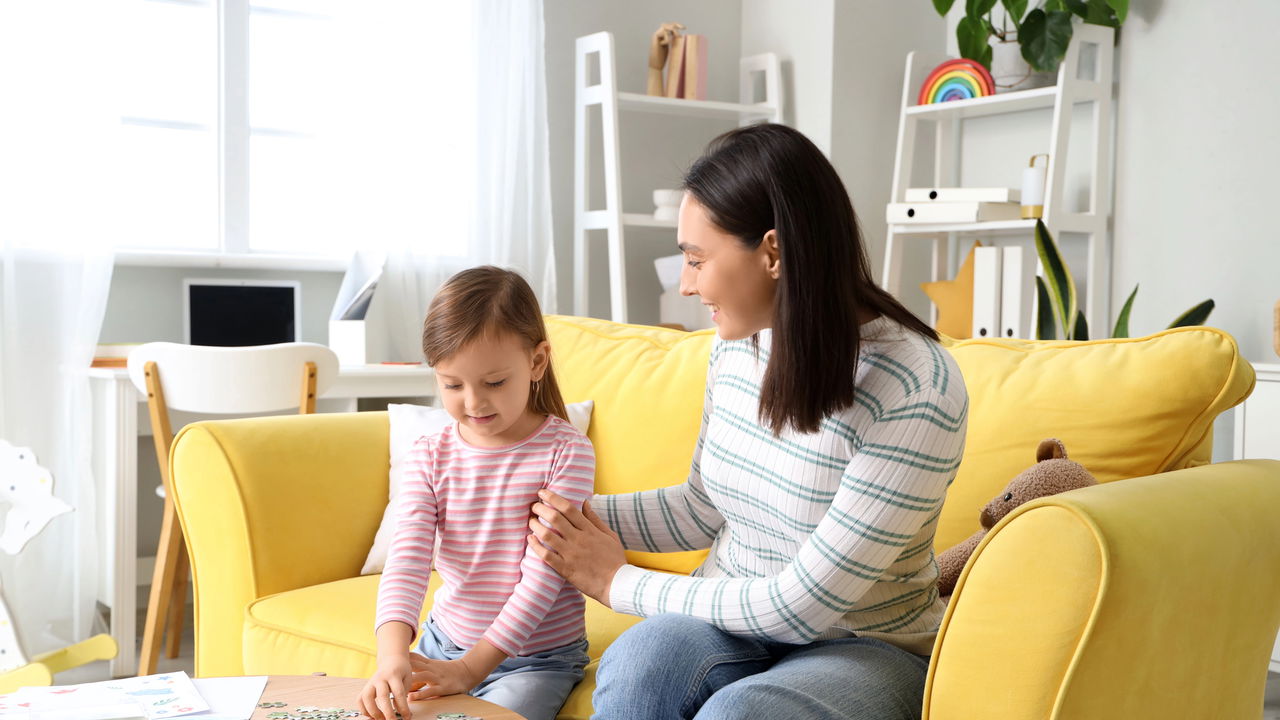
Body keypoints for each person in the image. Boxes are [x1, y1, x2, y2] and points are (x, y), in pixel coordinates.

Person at [527, 123, 968, 720]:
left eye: (696, 259)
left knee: (741, 713)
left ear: (773, 251)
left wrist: (617, 582)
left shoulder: (915, 385)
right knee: (638, 664)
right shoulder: (738, 342)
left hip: (865, 647)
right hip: (730, 617)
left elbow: (803, 607)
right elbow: (701, 508)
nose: (685, 284)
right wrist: (553, 513)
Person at [359, 266, 594, 720]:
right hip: (443, 641)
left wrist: (470, 669)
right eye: (452, 385)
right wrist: (392, 655)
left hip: (536, 661)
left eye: (494, 383)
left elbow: (542, 581)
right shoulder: (429, 455)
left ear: (537, 363)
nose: (472, 403)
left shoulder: (566, 452)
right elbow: (407, 560)